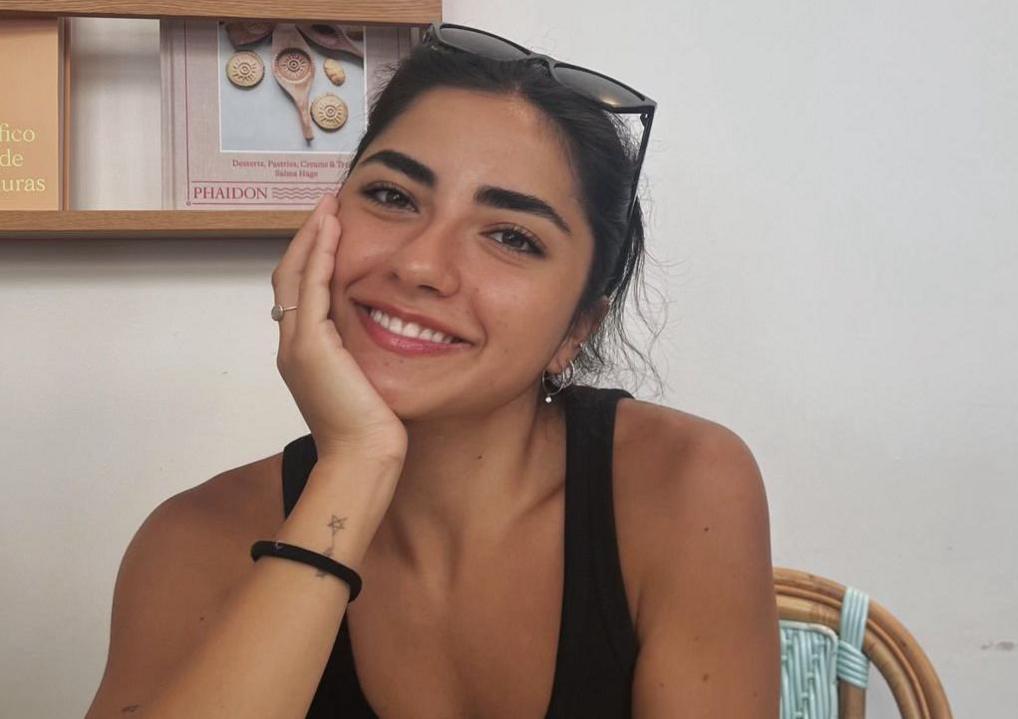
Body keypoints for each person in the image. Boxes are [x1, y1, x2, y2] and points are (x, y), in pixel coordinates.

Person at [86, 23, 779, 718]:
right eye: (392, 197)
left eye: (511, 236)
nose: (418, 264)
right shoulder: (195, 540)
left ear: (576, 329)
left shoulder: (683, 485)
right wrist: (355, 466)